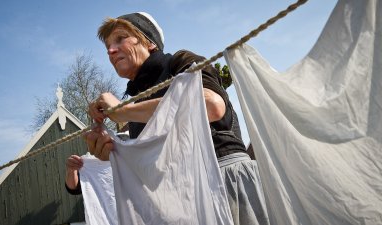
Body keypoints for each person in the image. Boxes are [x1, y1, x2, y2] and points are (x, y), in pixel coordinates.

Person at [84, 12, 269, 225]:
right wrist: (112, 151)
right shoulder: (136, 106)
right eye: (107, 46)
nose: (110, 50)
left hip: (222, 182)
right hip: (182, 199)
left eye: (120, 38)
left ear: (149, 42)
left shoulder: (180, 62)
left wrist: (122, 111)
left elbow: (211, 105)